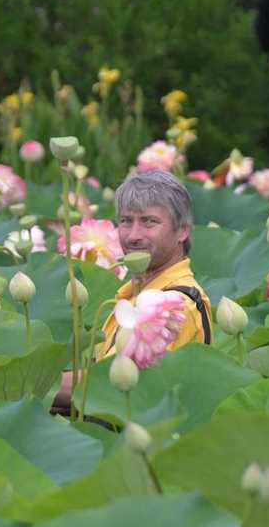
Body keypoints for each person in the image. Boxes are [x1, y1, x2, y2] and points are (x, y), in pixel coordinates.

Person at [54, 169, 212, 408]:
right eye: (126, 221)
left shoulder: (177, 306)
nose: (134, 236)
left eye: (149, 221)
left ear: (182, 230)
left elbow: (110, 386)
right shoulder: (133, 296)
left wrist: (26, 386)